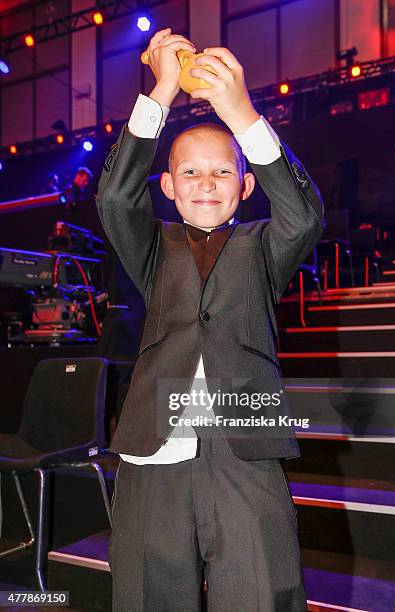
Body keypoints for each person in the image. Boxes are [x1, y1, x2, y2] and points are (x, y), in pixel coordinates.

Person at [96, 27, 325, 612]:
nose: (206, 184)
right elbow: (116, 199)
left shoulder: (263, 245)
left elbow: (303, 215)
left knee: (261, 591)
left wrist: (242, 112)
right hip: (155, 443)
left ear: (246, 186)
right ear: (168, 187)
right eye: (190, 174)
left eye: (222, 172)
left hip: (245, 443)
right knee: (150, 593)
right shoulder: (153, 248)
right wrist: (163, 90)